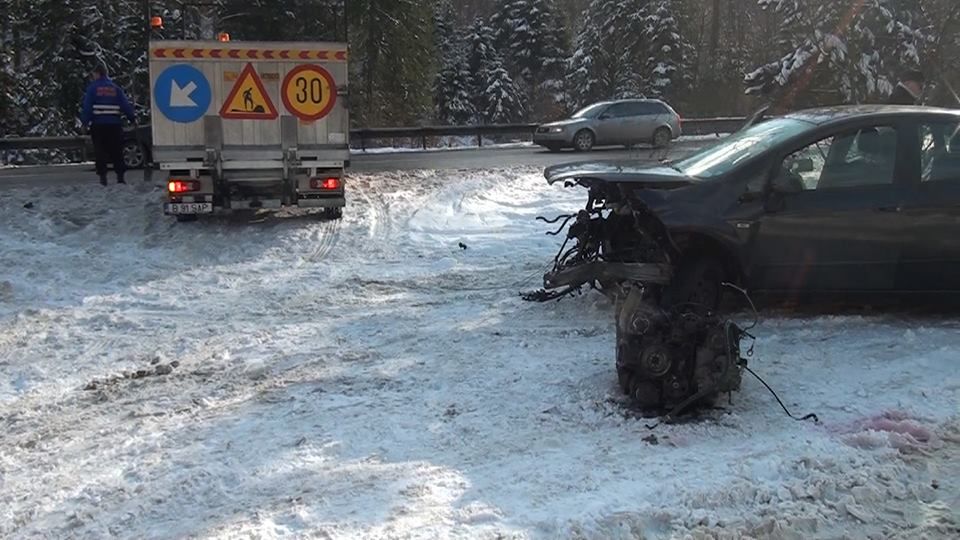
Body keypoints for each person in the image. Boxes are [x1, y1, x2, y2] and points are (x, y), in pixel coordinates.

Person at [80, 63, 136, 185]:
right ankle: (120, 177)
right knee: (117, 151)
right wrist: (132, 118)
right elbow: (125, 105)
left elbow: (87, 107)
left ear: (97, 74)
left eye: (93, 74)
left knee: (100, 151)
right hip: (114, 125)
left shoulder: (92, 89)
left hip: (98, 125)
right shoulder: (115, 88)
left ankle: (103, 177)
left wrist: (84, 123)